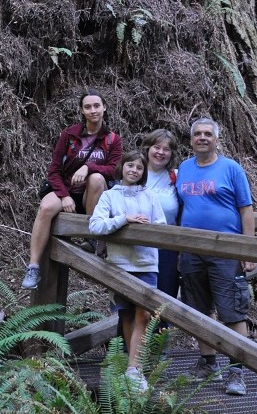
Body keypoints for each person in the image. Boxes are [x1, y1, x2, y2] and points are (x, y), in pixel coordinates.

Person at [175, 117, 255, 396]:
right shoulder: (183, 169)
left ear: (216, 139)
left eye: (208, 133)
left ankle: (236, 371)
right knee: (199, 310)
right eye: (197, 134)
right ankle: (207, 362)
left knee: (232, 310)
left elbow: (246, 210)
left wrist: (246, 249)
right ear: (191, 140)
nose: (202, 137)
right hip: (192, 251)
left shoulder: (231, 169)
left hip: (225, 251)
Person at [21, 90, 123, 290]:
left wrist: (88, 167)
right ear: (81, 111)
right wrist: (64, 195)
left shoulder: (113, 139)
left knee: (96, 178)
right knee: (45, 207)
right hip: (67, 190)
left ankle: (91, 236)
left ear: (104, 107)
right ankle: (33, 266)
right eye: (87, 107)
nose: (93, 110)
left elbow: (113, 171)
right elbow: (54, 170)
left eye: (96, 105)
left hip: (92, 196)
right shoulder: (69, 135)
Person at [88, 151, 166, 392]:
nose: (134, 170)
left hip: (146, 263)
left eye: (139, 168)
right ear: (122, 167)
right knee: (126, 315)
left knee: (144, 314)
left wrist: (146, 229)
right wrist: (125, 219)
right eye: (130, 166)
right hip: (119, 265)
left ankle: (134, 370)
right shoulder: (110, 196)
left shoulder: (150, 196)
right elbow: (95, 225)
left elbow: (161, 226)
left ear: (144, 173)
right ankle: (131, 369)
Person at [139, 129, 181, 301]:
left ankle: (162, 330)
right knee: (134, 302)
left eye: (166, 149)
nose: (160, 153)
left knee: (165, 301)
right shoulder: (135, 172)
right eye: (157, 147)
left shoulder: (176, 176)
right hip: (137, 247)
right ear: (147, 148)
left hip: (167, 248)